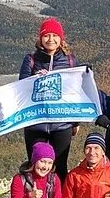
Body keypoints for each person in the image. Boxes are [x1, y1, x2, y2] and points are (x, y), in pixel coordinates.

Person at [20, 17, 80, 182]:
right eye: (47, 35)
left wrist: (75, 122)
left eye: (55, 35)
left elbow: (75, 92)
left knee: (60, 165)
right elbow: (22, 89)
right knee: (36, 164)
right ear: (40, 38)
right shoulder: (31, 59)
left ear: (61, 38)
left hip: (62, 124)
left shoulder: (70, 61)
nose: (51, 39)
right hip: (35, 123)